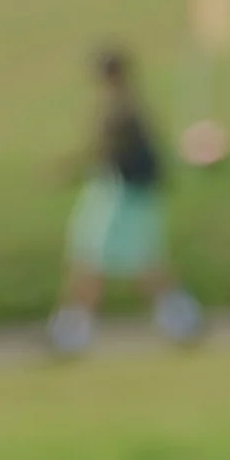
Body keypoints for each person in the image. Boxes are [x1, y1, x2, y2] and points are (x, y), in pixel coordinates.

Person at [46, 46, 203, 355]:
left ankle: (70, 334)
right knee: (132, 261)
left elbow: (103, 150)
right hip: (125, 193)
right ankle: (183, 320)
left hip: (123, 193)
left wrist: (68, 169)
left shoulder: (122, 110)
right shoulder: (128, 106)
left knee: (99, 260)